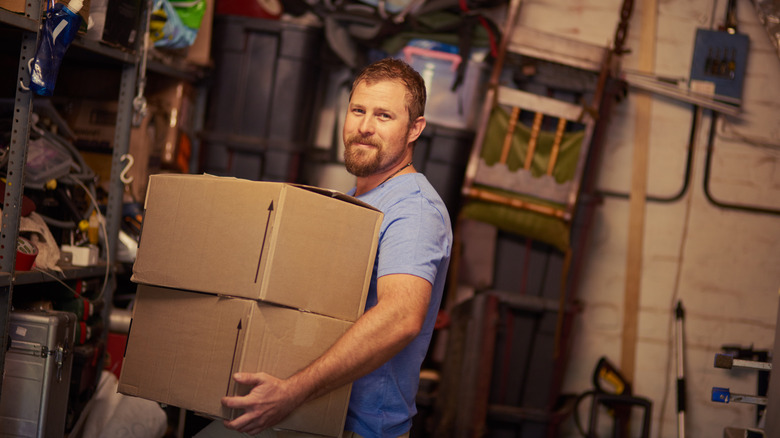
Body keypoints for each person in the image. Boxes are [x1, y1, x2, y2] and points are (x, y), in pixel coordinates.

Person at [197, 57, 452, 438]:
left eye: (384, 116)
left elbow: (402, 318)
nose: (364, 127)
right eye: (358, 110)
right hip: (309, 415)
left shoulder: (412, 209)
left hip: (356, 429)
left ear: (415, 129)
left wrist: (291, 392)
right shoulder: (357, 201)